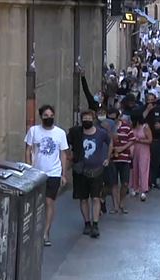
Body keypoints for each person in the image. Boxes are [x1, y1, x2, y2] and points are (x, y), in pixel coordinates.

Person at [24, 105, 69, 246]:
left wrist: (63, 173)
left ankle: (45, 232)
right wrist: (28, 168)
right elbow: (28, 150)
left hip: (54, 173)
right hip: (37, 173)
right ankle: (34, 230)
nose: (48, 118)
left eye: (51, 115)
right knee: (37, 203)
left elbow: (63, 154)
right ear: (41, 117)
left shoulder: (60, 133)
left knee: (49, 202)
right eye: (45, 115)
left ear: (54, 116)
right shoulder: (34, 131)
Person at [67, 110, 113, 239]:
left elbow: (110, 143)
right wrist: (70, 157)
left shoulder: (101, 133)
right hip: (80, 170)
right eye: (84, 118)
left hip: (97, 170)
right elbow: (65, 144)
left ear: (93, 119)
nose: (87, 120)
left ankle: (95, 224)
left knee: (96, 198)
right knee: (83, 198)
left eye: (89, 118)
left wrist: (107, 158)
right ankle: (87, 222)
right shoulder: (76, 133)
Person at [111, 111, 135, 213]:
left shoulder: (126, 127)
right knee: (114, 183)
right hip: (112, 159)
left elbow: (132, 140)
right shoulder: (109, 128)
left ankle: (122, 202)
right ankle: (115, 206)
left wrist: (122, 149)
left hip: (125, 159)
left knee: (125, 183)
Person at [130, 114, 153, 201]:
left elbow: (150, 140)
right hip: (135, 149)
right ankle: (135, 188)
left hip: (144, 150)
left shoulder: (145, 127)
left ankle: (143, 189)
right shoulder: (133, 127)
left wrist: (139, 140)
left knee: (143, 169)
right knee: (135, 169)